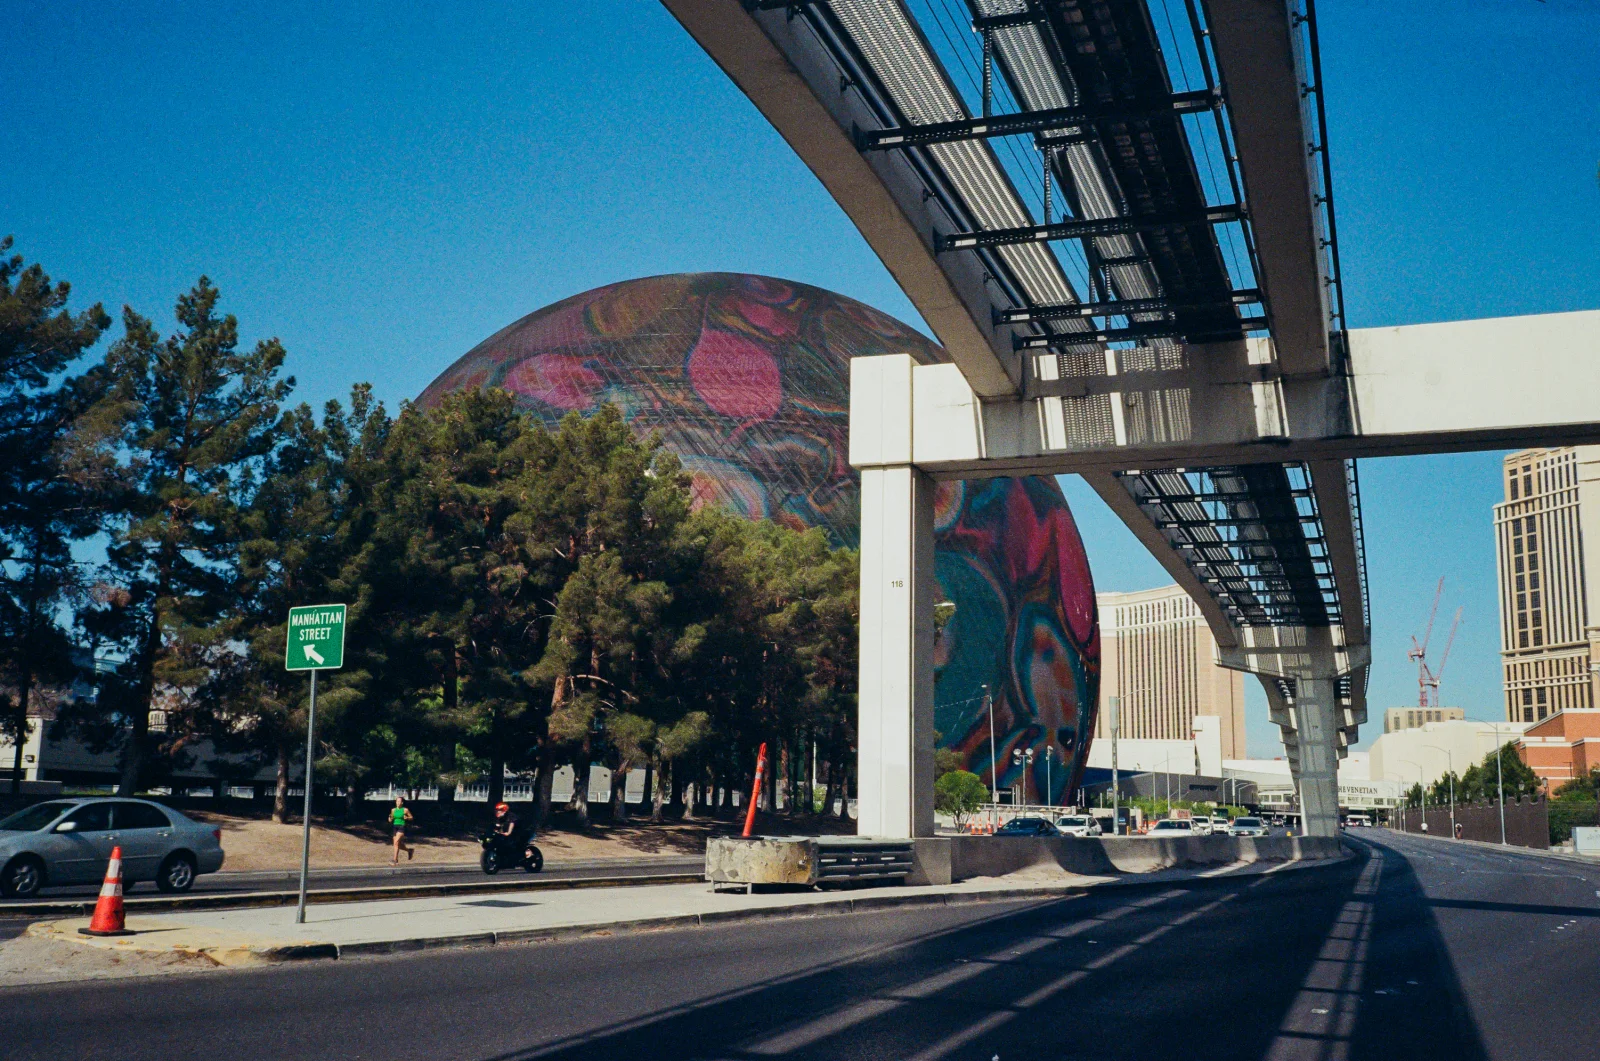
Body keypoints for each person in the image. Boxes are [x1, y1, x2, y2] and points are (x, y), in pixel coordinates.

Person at [390, 797, 414, 865]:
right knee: (398, 844)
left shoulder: (405, 810)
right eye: (397, 801)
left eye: (399, 801)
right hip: (395, 826)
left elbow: (411, 817)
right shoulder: (393, 810)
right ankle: (409, 851)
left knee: (396, 842)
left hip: (401, 826)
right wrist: (390, 819)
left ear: (402, 802)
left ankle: (395, 860)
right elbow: (391, 818)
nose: (397, 803)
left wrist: (407, 817)